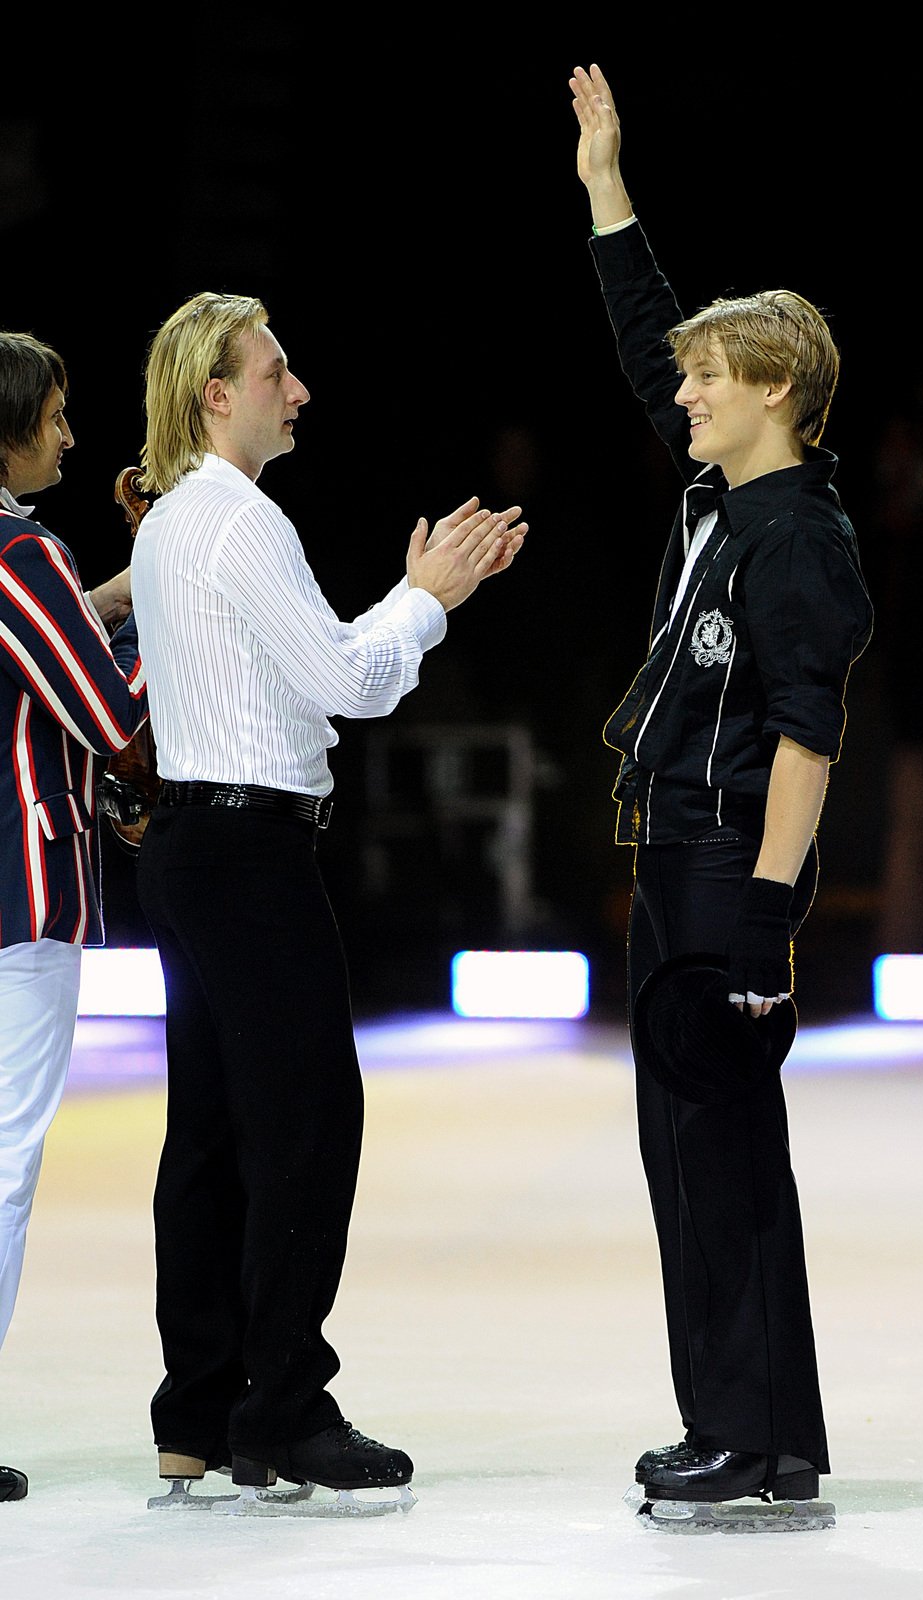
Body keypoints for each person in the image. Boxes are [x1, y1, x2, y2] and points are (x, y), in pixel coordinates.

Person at [130, 291, 526, 1508]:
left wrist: (394, 621)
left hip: (192, 846)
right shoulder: (239, 522)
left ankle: (200, 1408)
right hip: (249, 856)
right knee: (304, 1125)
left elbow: (298, 689)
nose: (296, 391)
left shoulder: (169, 526)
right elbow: (347, 684)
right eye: (275, 371)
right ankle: (283, 1410)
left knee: (208, 1131)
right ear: (216, 392)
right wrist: (427, 598)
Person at [570, 65, 873, 1509]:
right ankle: (746, 1428)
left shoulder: (797, 539)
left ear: (773, 392)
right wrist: (602, 186)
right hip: (675, 855)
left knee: (720, 1156)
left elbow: (807, 737)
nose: (678, 392)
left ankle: (752, 1439)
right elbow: (643, 340)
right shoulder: (717, 494)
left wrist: (765, 920)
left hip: (722, 874)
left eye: (705, 377)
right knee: (689, 1157)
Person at [0, 330, 146, 1502]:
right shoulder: (23, 551)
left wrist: (110, 590)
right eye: (54, 413)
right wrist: (177, 619)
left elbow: (44, 634)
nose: (70, 433)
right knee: (3, 1163)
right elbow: (109, 718)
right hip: (20, 893)